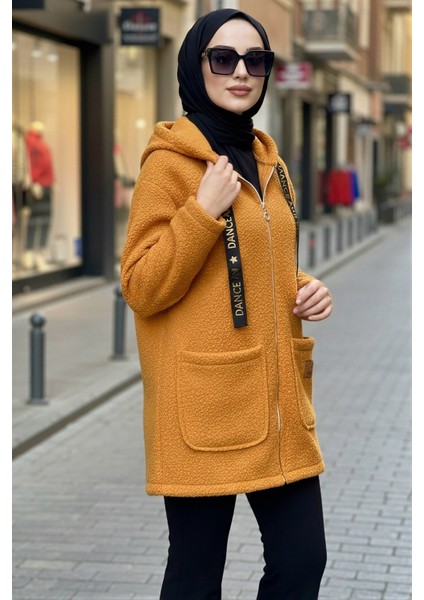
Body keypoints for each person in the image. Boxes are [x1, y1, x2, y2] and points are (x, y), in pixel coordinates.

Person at [120, 8, 333, 599]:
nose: (241, 72)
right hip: (204, 408)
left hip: (278, 404)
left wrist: (305, 285)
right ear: (197, 66)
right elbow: (140, 286)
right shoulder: (168, 165)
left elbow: (264, 259)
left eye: (255, 60)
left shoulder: (270, 161)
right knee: (195, 578)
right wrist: (201, 212)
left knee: (302, 561)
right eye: (224, 58)